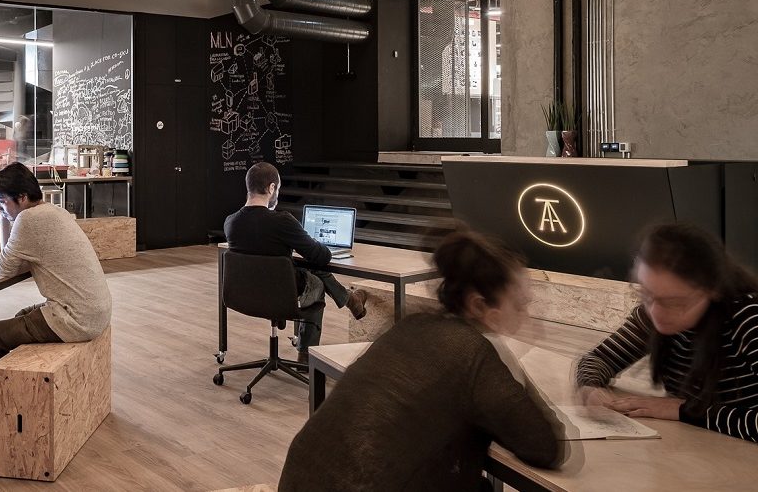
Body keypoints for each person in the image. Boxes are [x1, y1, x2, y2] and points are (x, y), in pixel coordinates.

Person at [279, 230, 565, 491]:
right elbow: (543, 446)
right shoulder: (472, 351)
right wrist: (509, 360)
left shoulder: (411, 325)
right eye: (520, 303)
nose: (527, 314)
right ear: (479, 305)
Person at [576, 222, 758, 442]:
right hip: (699, 444)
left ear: (713, 290)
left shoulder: (748, 318)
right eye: (646, 294)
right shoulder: (654, 310)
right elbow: (601, 358)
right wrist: (590, 387)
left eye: (675, 303)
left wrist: (684, 410)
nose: (656, 313)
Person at [0, 162, 112, 385]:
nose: (1, 209)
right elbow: (17, 264)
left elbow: (4, 268)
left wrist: (4, 219)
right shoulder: (55, 211)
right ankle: (15, 388)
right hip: (96, 311)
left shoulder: (28, 219)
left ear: (22, 197)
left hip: (76, 319)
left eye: (2, 202)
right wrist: (6, 212)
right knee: (21, 316)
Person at [224, 162, 367, 362]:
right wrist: (309, 240)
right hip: (281, 293)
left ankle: (351, 300)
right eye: (278, 189)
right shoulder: (282, 221)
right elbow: (322, 256)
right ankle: (306, 353)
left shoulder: (231, 222)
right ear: (271, 188)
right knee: (316, 280)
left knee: (305, 268)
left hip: (246, 294)